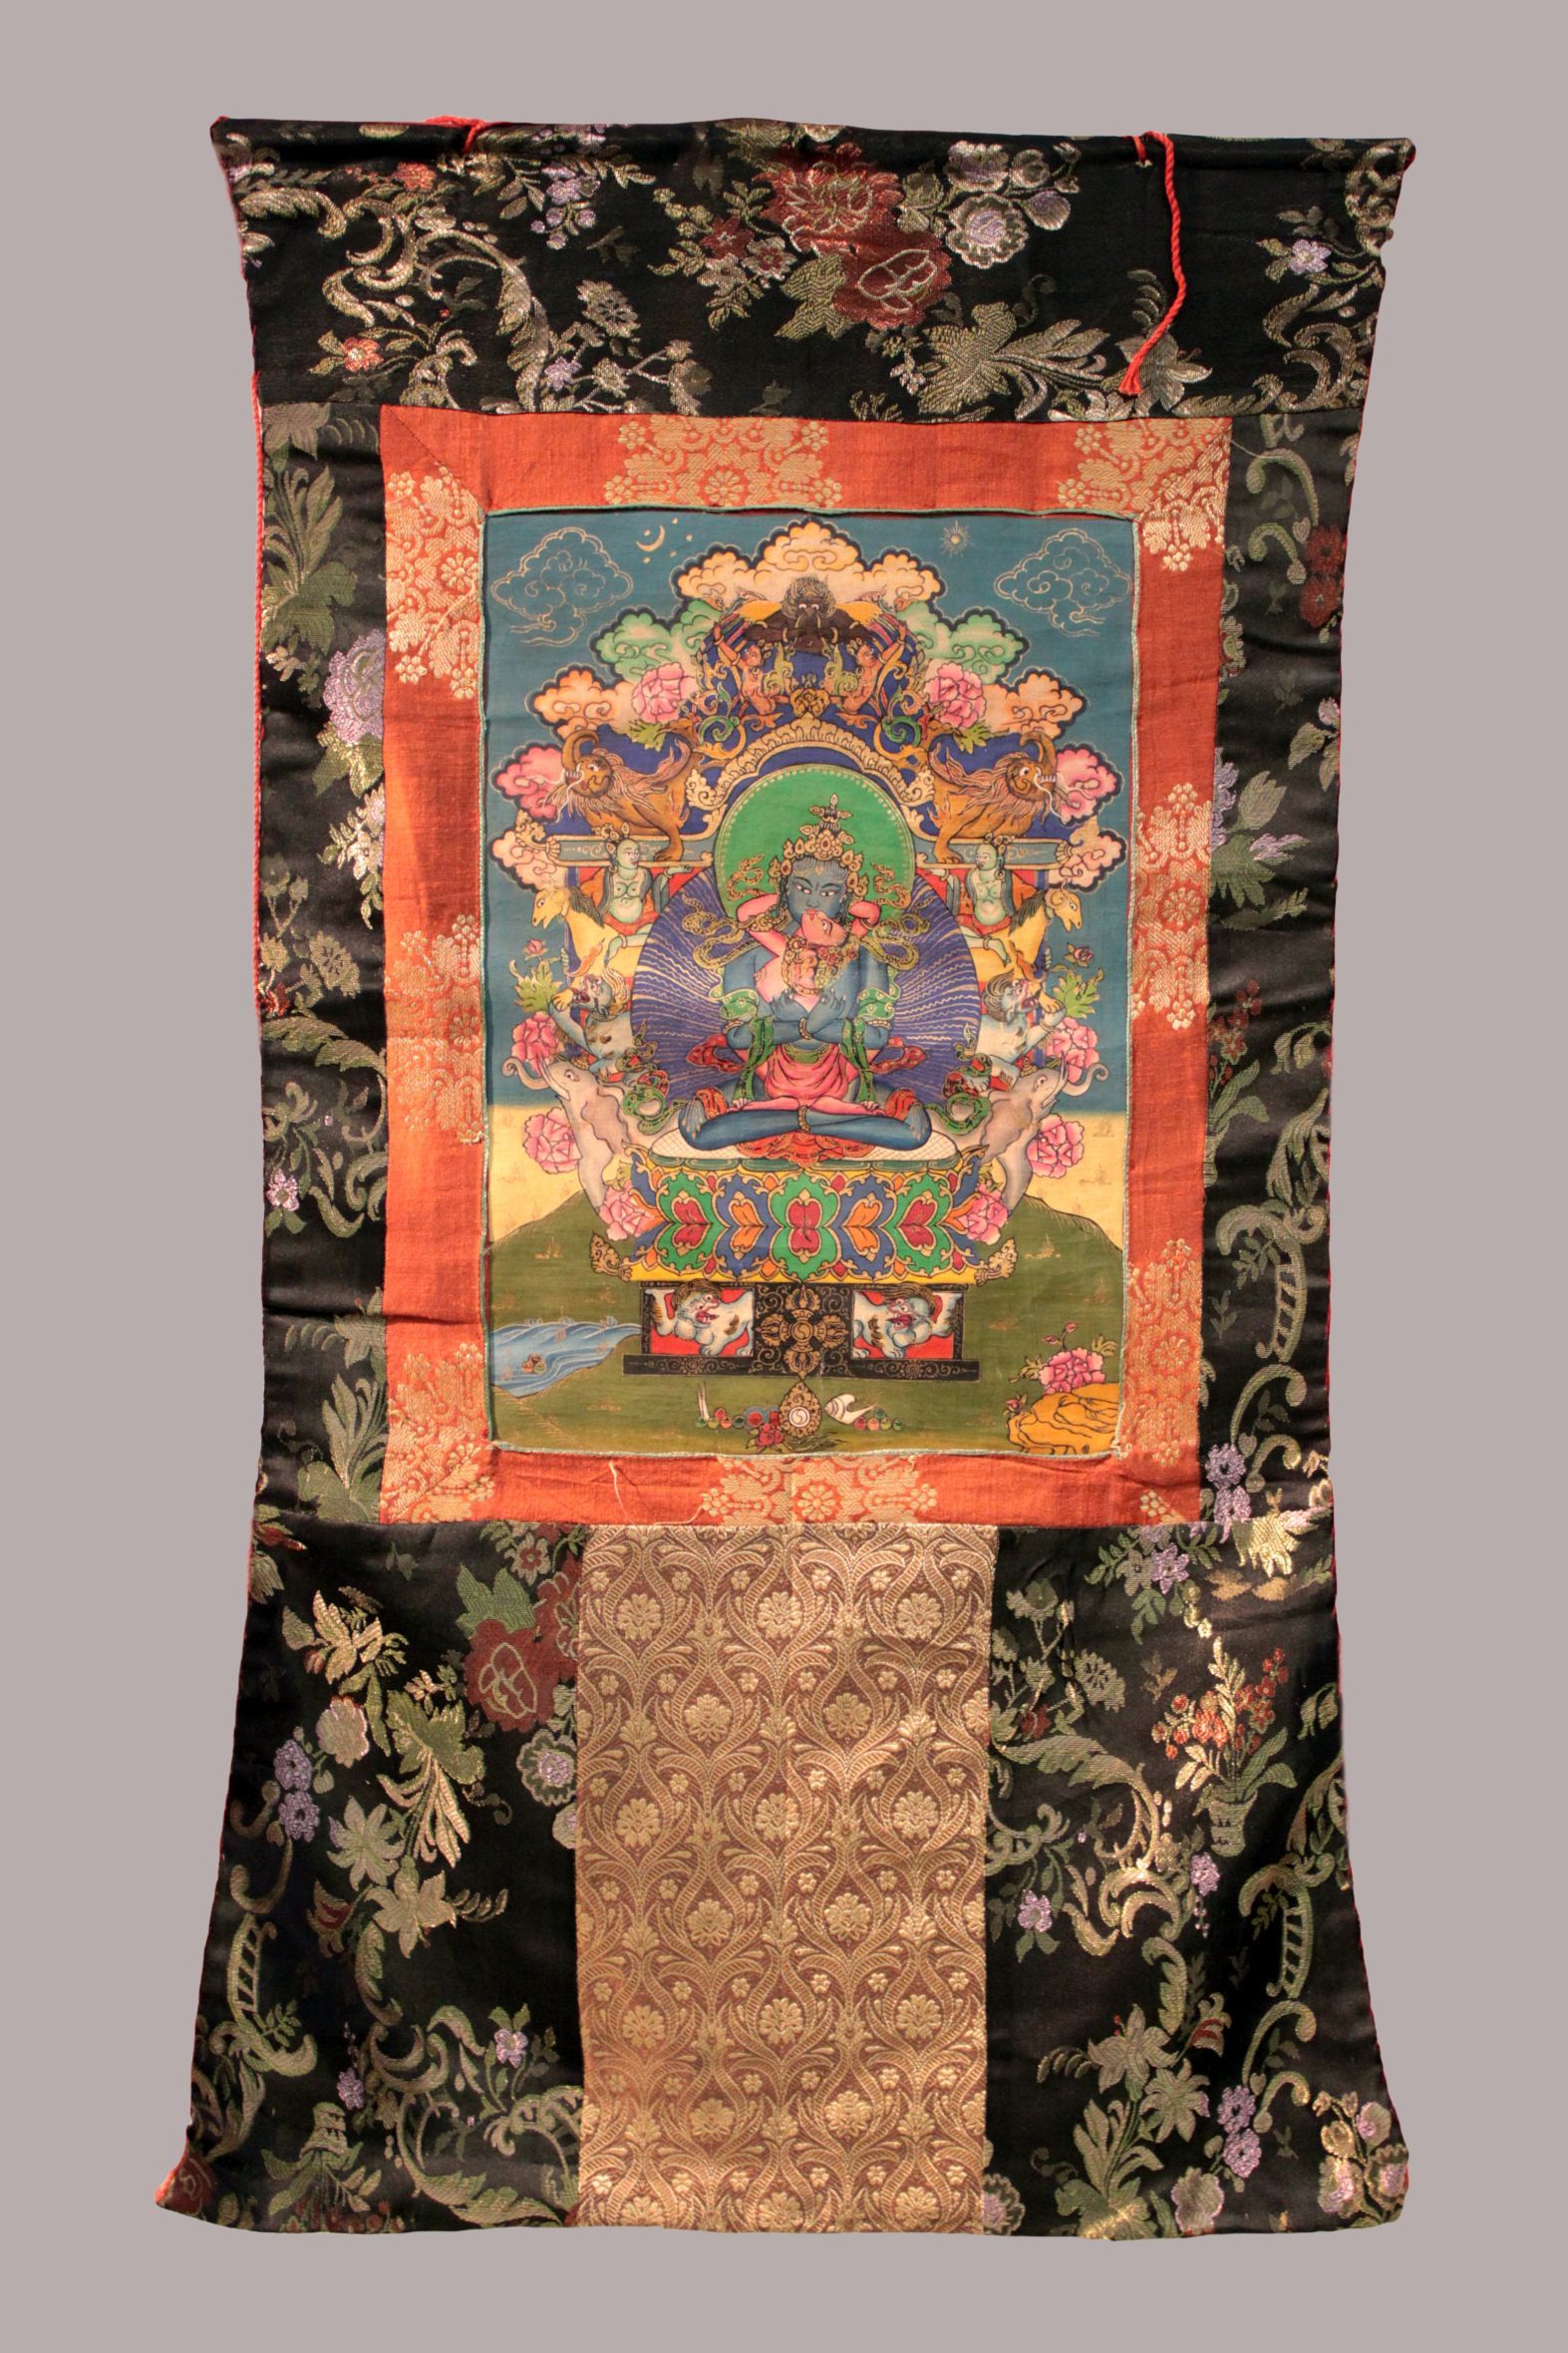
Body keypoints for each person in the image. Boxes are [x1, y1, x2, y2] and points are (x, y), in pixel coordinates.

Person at [679, 798, 930, 1151]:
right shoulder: (751, 957)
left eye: (829, 892)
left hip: (844, 1082)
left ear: (845, 899)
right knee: (695, 1131)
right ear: (784, 889)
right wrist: (808, 1027)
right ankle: (815, 1117)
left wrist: (805, 1024)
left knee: (916, 1132)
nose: (813, 902)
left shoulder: (859, 957)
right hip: (768, 1081)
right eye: (800, 888)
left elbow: (875, 1038)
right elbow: (738, 1038)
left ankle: (802, 1116)